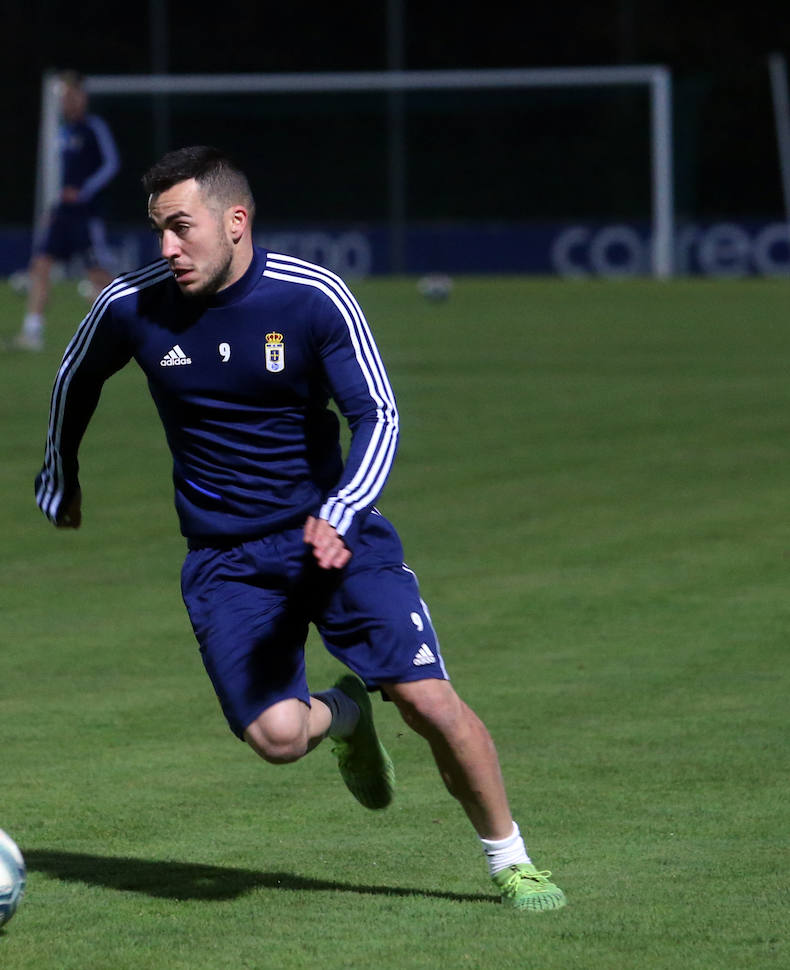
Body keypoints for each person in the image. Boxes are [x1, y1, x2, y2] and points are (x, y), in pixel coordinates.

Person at [34, 146, 566, 911]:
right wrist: (61, 476)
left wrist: (342, 510)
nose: (168, 247)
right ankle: (345, 715)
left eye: (181, 227)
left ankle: (511, 860)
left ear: (235, 220)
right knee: (279, 738)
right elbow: (74, 375)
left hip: (334, 536)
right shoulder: (131, 304)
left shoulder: (311, 297)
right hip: (226, 558)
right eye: (158, 231)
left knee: (426, 700)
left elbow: (378, 414)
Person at [9, 71, 119, 352]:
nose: (66, 102)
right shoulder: (63, 132)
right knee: (40, 266)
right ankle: (32, 333)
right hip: (62, 213)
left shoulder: (94, 127)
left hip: (86, 214)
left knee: (98, 276)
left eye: (71, 96)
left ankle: (134, 323)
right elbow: (61, 177)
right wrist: (54, 206)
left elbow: (111, 164)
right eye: (64, 97)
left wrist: (84, 191)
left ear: (82, 97)